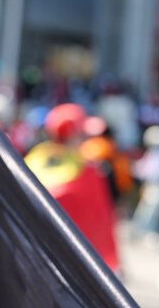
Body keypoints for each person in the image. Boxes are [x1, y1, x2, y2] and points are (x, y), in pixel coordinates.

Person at [24, 103, 121, 274]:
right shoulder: (86, 171)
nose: (86, 139)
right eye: (82, 134)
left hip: (35, 257)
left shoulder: (36, 158)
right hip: (73, 264)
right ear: (72, 133)